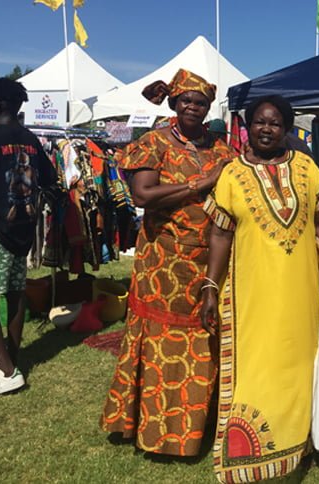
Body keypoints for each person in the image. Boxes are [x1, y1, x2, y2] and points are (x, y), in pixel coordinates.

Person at [99, 69, 234, 456]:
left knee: (205, 337)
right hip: (164, 261)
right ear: (174, 103)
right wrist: (199, 184)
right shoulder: (154, 142)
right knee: (163, 341)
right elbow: (142, 195)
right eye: (186, 100)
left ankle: (199, 426)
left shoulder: (221, 149)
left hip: (210, 260)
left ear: (209, 108)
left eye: (201, 102)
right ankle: (156, 429)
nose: (193, 107)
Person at [200, 95, 319, 482]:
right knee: (257, 367)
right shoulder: (231, 175)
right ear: (248, 126)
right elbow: (220, 234)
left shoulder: (306, 168)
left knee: (298, 365)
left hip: (303, 291)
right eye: (259, 122)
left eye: (275, 123)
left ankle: (297, 445)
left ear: (287, 129)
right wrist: (210, 286)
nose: (266, 129)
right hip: (251, 296)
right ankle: (248, 449)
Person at [0, 78, 57, 398]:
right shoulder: (30, 139)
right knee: (14, 292)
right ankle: (11, 359)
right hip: (22, 229)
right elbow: (49, 179)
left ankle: (8, 371)